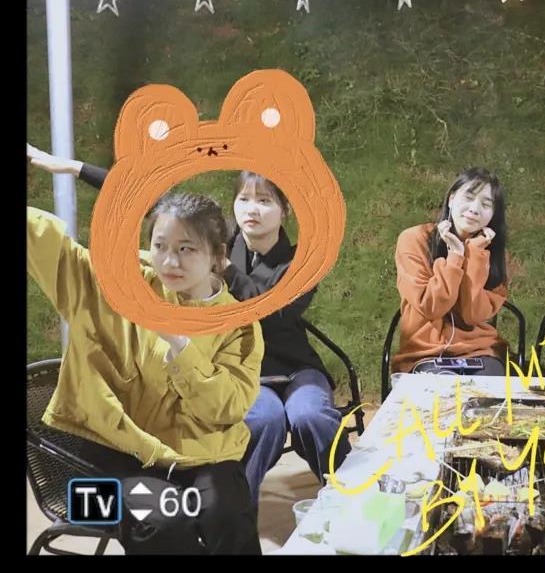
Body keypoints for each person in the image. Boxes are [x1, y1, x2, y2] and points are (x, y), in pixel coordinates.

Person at [26, 143, 347, 508]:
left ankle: (352, 491)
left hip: (294, 369)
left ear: (285, 210)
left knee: (310, 416)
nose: (252, 210)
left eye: (265, 201)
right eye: (244, 199)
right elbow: (153, 202)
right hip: (242, 376)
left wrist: (219, 265)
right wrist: (72, 167)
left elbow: (269, 309)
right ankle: (238, 506)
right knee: (263, 419)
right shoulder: (219, 242)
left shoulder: (300, 261)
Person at [27, 189, 264, 554]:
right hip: (101, 468)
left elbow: (227, 408)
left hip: (205, 456)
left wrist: (180, 345)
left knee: (228, 513)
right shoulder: (119, 284)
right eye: (160, 246)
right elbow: (53, 250)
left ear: (218, 256)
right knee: (163, 520)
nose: (170, 261)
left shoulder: (238, 326)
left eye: (186, 248)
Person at [392, 167, 510, 375]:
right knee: (441, 391)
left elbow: (472, 315)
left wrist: (474, 254)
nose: (474, 209)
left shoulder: (494, 254)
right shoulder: (414, 239)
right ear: (451, 199)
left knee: (491, 387)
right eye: (469, 198)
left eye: (486, 204)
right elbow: (431, 306)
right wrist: (455, 256)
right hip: (426, 352)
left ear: (493, 215)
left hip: (479, 350)